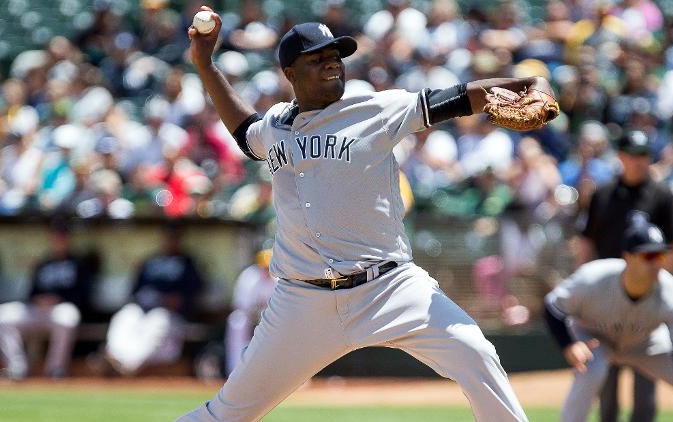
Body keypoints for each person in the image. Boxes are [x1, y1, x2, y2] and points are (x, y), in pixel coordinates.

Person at [176, 7, 558, 421]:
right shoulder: (275, 127)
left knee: (476, 354)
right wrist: (205, 64)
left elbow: (461, 96)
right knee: (229, 412)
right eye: (317, 58)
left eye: (335, 56)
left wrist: (531, 83)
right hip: (302, 302)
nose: (331, 64)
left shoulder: (375, 109)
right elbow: (243, 130)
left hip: (389, 286)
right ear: (290, 72)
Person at [545, 212, 673, 422]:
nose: (656, 263)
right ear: (627, 256)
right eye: (648, 256)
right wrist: (568, 344)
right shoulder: (593, 278)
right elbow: (553, 307)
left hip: (645, 343)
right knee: (592, 372)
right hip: (594, 338)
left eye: (660, 255)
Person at [577, 129, 673, 422]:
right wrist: (585, 283)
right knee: (607, 384)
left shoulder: (663, 196)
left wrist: (652, 279)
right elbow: (586, 241)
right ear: (621, 156)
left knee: (645, 381)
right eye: (632, 155)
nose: (638, 161)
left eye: (643, 155)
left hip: (645, 296)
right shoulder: (604, 194)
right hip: (606, 296)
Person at [0, 223, 91, 379]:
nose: (58, 241)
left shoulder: (77, 264)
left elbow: (83, 295)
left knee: (67, 317)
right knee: (1, 315)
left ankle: (55, 369)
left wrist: (58, 299)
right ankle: (16, 369)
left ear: (68, 241)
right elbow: (31, 292)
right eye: (56, 238)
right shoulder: (43, 264)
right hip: (37, 310)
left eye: (62, 238)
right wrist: (39, 300)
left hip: (60, 309)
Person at [103, 225, 204, 375]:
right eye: (169, 237)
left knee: (158, 321)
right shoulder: (151, 261)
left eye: (175, 237)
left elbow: (196, 291)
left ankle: (129, 365)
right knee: (126, 315)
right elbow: (134, 290)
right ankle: (114, 355)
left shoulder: (188, 263)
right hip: (144, 308)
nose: (171, 241)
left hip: (170, 315)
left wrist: (177, 299)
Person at [224, 248, 276, 376]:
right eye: (264, 267)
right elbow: (240, 306)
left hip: (269, 317)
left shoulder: (278, 278)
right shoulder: (249, 277)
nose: (266, 270)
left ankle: (278, 373)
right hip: (248, 315)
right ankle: (235, 371)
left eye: (269, 267)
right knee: (237, 321)